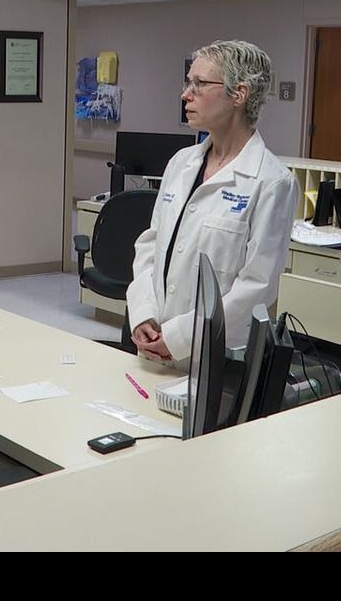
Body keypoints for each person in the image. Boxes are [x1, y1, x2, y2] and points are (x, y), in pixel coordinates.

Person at [125, 40, 298, 366]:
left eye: (200, 84)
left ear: (239, 94)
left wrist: (178, 338)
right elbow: (151, 246)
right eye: (188, 82)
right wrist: (143, 314)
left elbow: (256, 287)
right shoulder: (181, 163)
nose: (186, 94)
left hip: (214, 357)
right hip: (152, 345)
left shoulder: (272, 182)